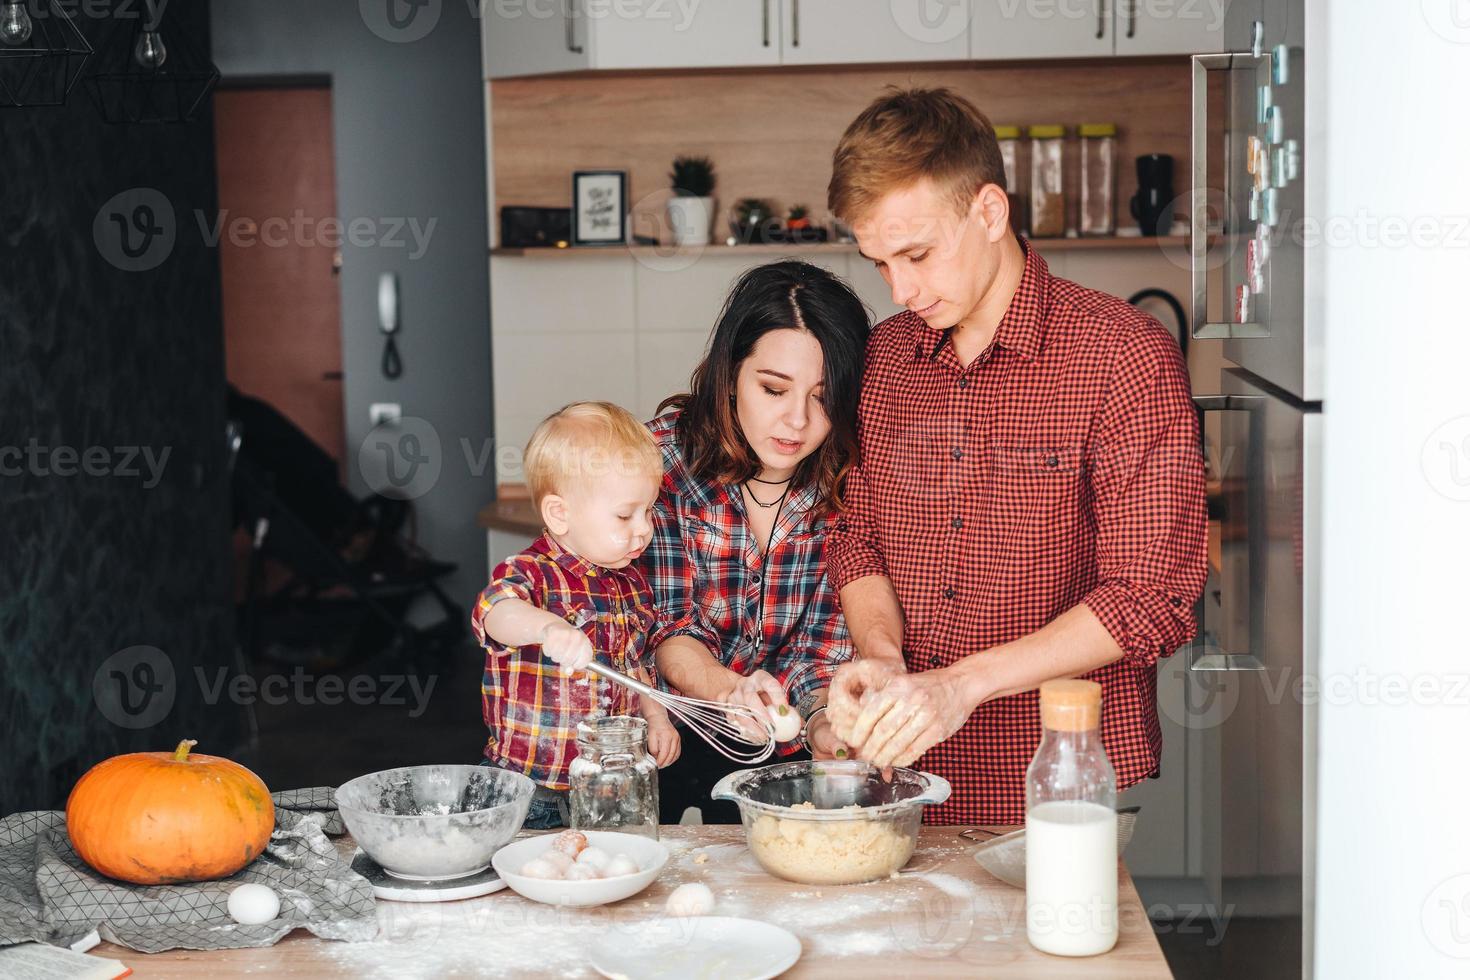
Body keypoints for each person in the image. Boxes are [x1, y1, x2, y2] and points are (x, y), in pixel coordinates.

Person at [822, 88, 1209, 824]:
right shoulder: (886, 360)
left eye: (917, 253)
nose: (901, 290)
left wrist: (959, 687)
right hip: (904, 771)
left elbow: (1148, 600)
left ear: (990, 212)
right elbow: (856, 534)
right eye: (878, 263)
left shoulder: (1123, 356)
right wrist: (882, 658)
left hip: (1060, 778)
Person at [640, 260, 870, 823]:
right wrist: (733, 691)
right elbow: (670, 626)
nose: (797, 421)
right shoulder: (663, 462)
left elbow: (823, 643)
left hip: (785, 753)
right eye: (773, 388)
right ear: (729, 373)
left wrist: (821, 722)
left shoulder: (847, 478)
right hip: (669, 733)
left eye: (823, 397)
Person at [471, 402, 681, 829]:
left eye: (649, 512)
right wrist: (548, 627)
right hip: (531, 787)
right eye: (625, 515)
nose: (643, 529)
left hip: (610, 781)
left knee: (606, 872)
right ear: (559, 514)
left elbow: (635, 666)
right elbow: (494, 613)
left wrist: (657, 717)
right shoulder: (531, 573)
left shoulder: (632, 584)